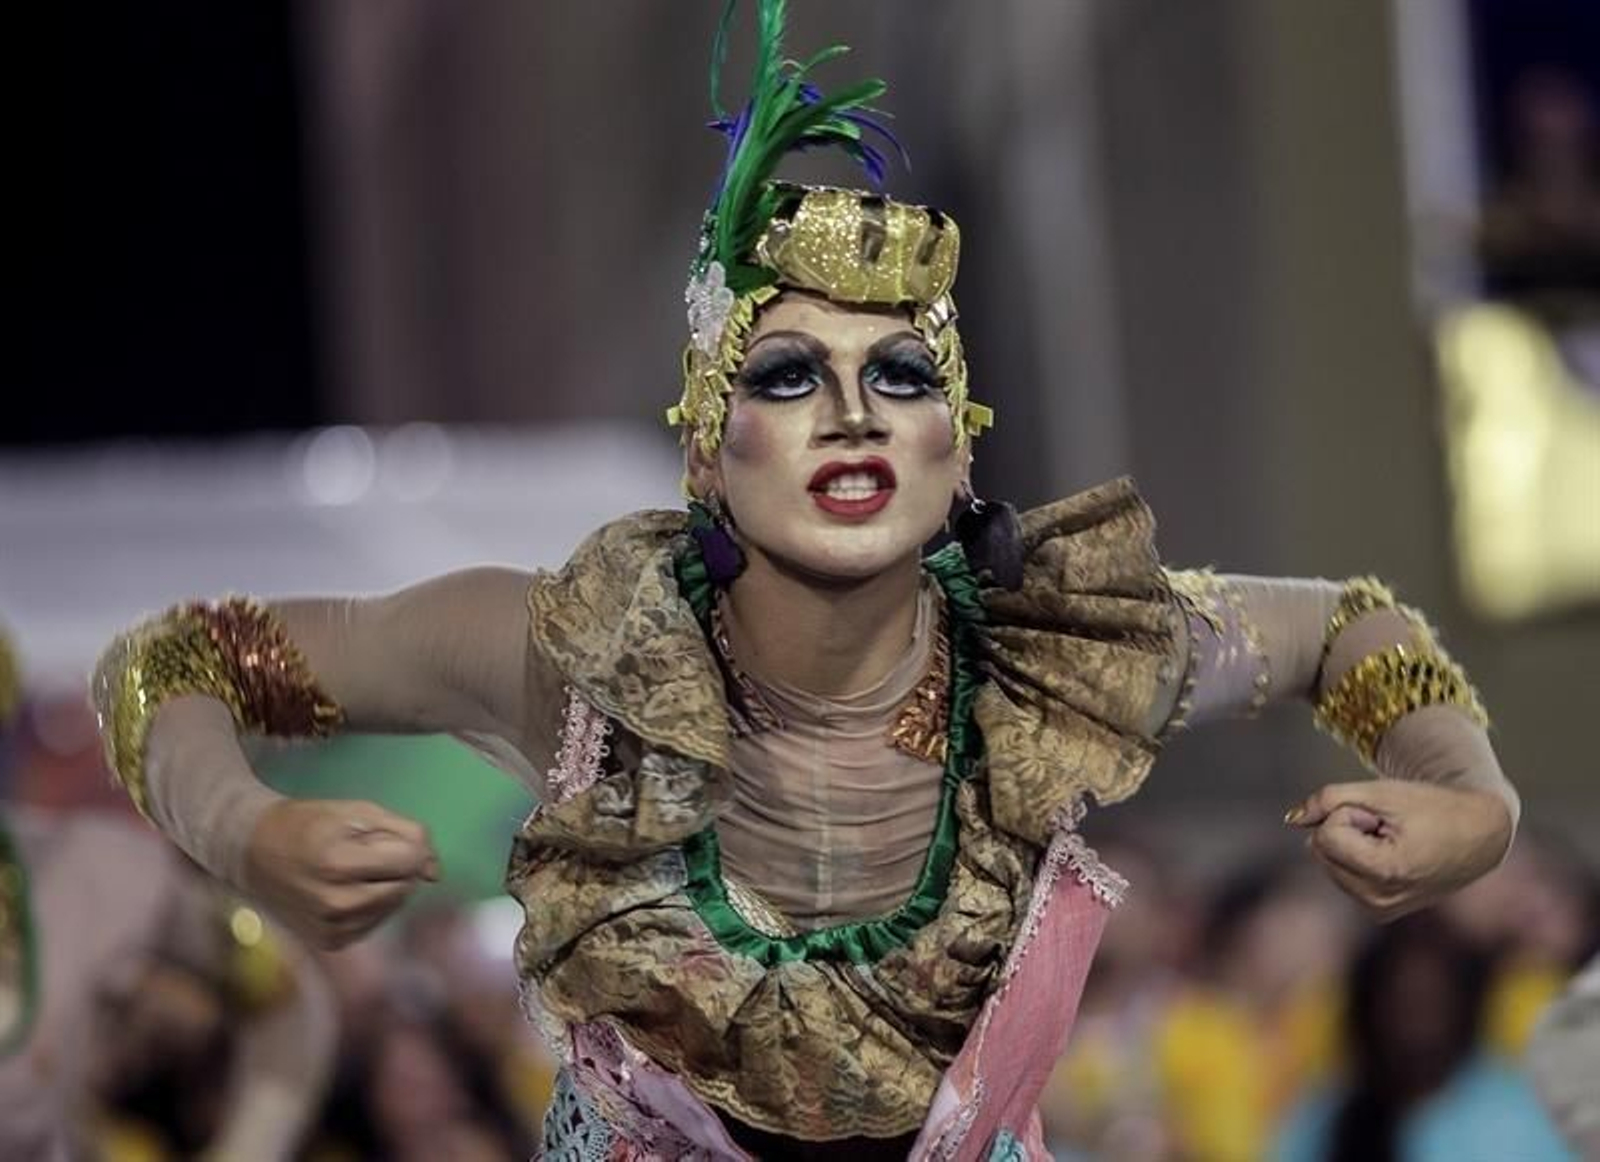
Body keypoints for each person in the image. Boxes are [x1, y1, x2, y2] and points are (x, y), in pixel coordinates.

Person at [89, 4, 1520, 1157]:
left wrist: (1474, 801)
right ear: (710, 452)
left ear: (955, 452)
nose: (850, 409)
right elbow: (167, 661)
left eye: (897, 374)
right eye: (789, 373)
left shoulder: (1052, 655)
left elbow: (1349, 627)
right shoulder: (569, 657)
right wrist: (247, 834)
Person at [1273, 915, 1573, 1162]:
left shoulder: (1521, 1117)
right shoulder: (1329, 1116)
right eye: (1400, 1004)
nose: (1416, 1026)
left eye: (1432, 1004)